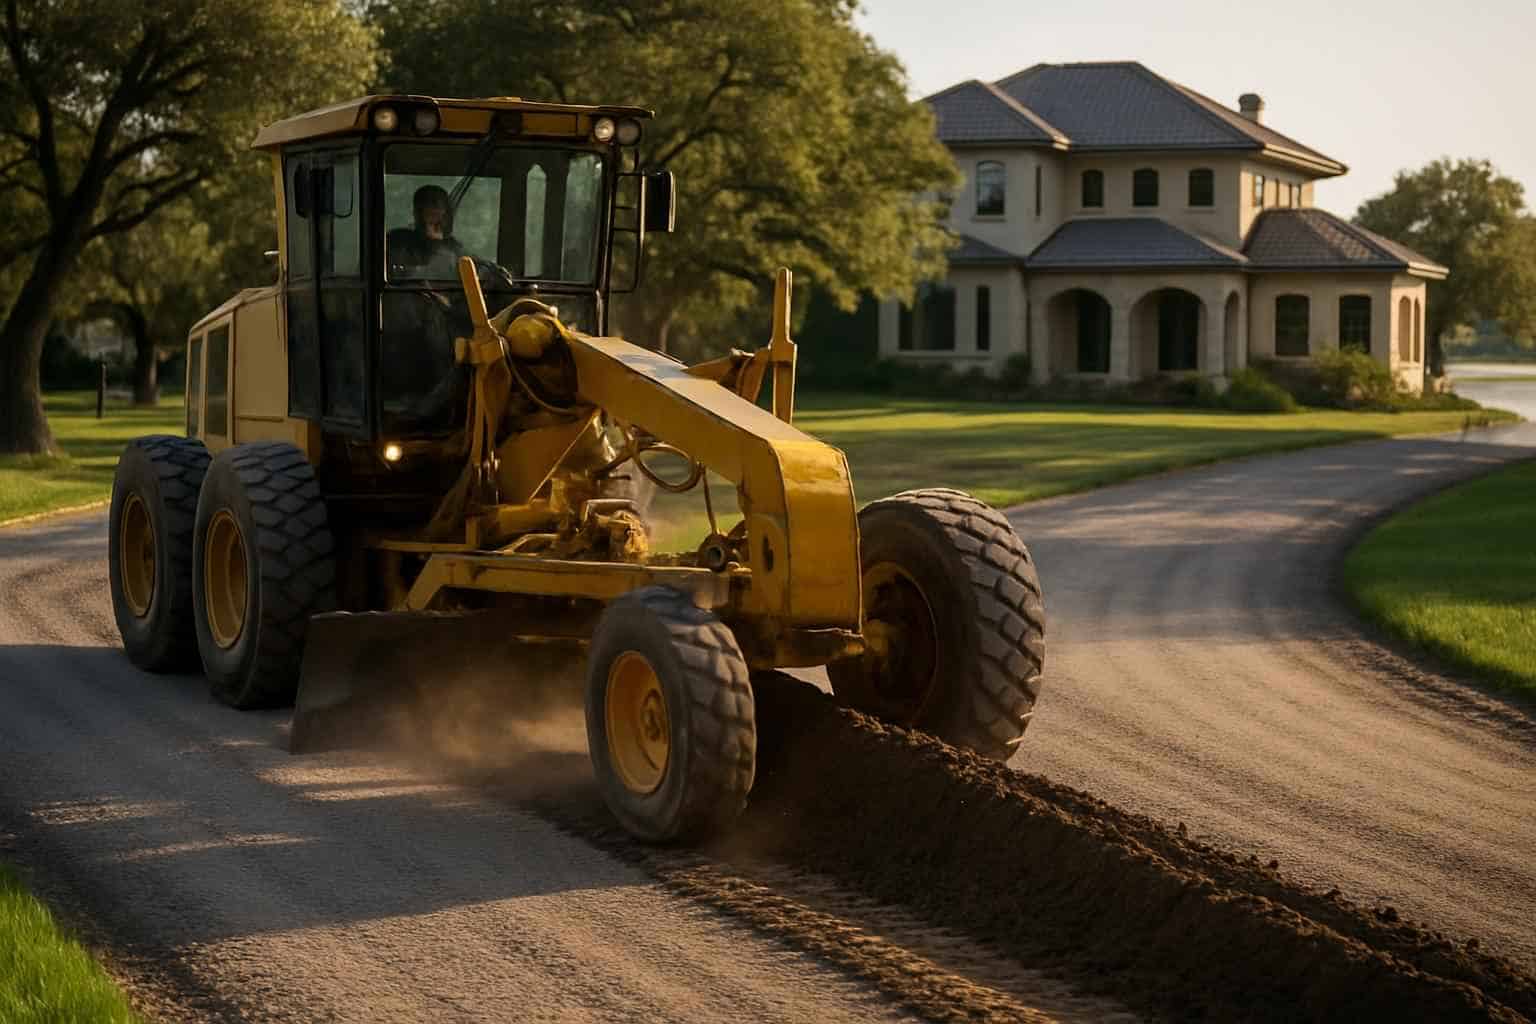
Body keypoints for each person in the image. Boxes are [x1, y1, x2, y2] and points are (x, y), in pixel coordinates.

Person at [387, 184, 466, 278]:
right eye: (431, 210)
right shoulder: (396, 243)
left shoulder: (456, 250)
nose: (436, 219)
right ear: (417, 214)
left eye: (441, 210)